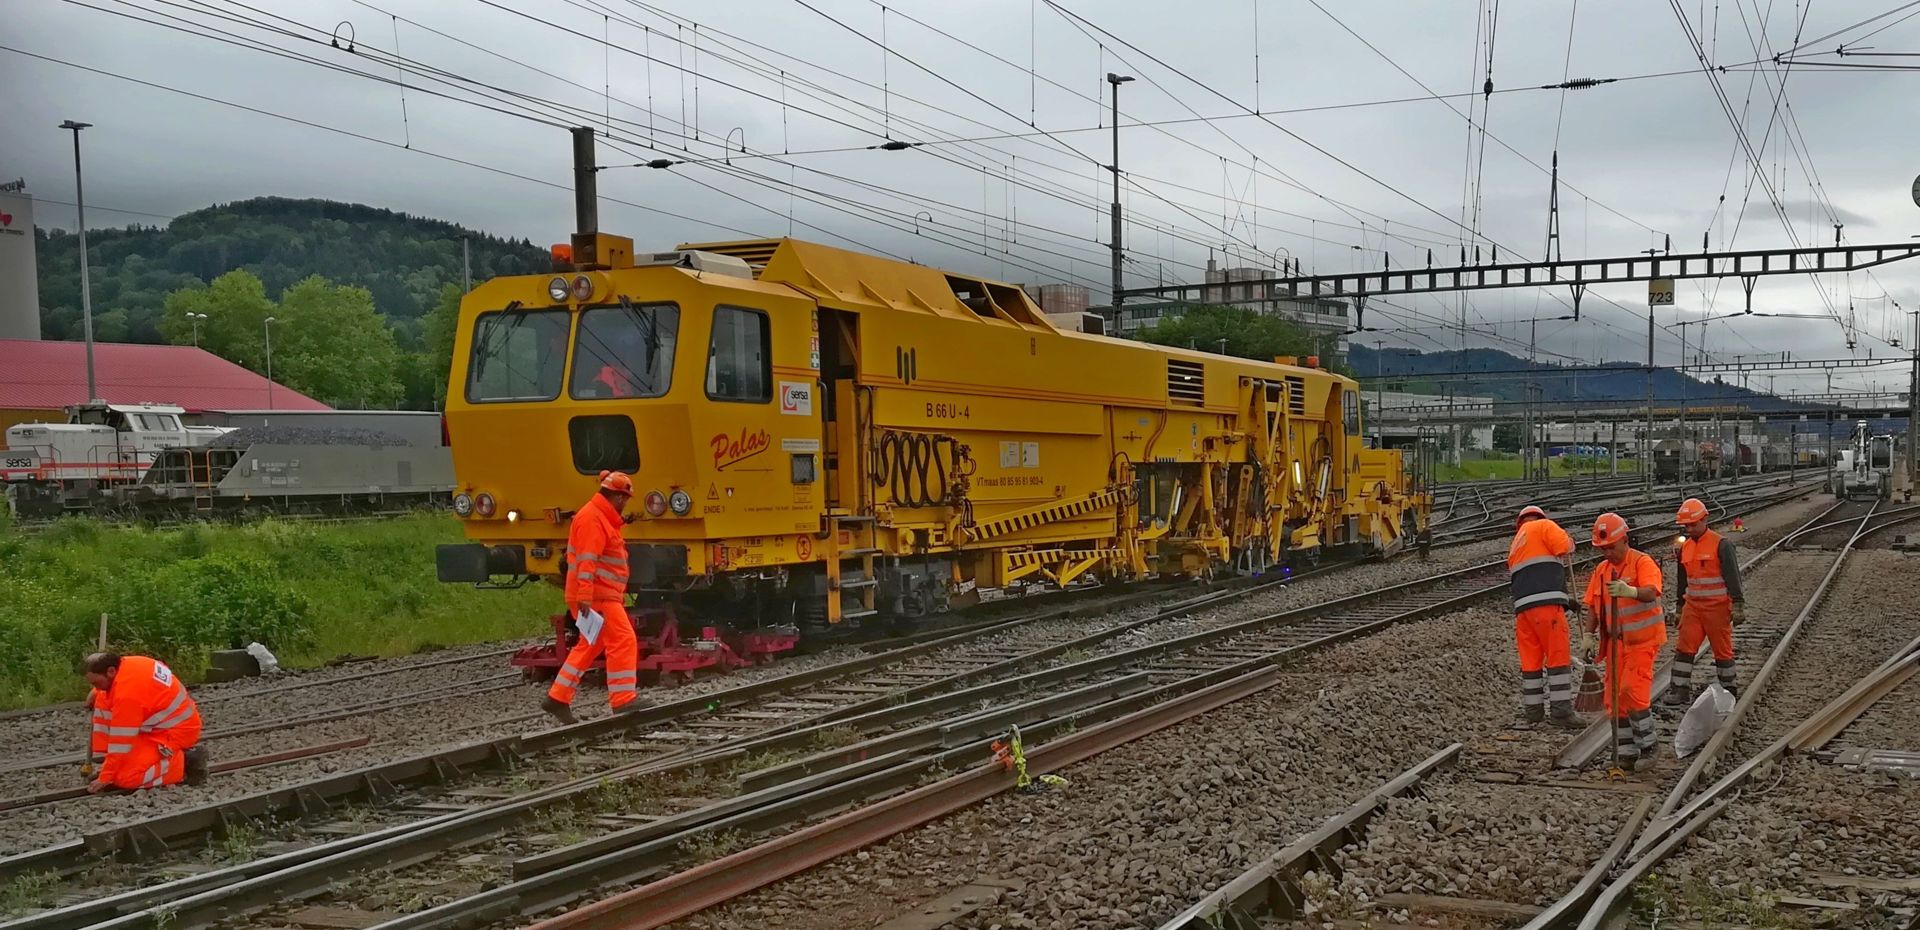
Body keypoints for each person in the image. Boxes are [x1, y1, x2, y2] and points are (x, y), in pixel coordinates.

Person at [542, 470, 645, 724]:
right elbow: (588, 561)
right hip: (597, 596)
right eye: (625, 500)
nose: (625, 504)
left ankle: (557, 697)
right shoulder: (593, 519)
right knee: (624, 640)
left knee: (590, 644)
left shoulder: (598, 516)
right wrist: (586, 596)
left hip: (598, 594)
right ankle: (623, 700)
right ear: (618, 497)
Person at [1582, 513, 1666, 772]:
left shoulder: (1642, 562)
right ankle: (1626, 752)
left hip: (1642, 641)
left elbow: (1651, 592)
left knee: (1632, 690)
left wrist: (1630, 591)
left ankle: (1649, 746)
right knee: (1614, 697)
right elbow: (1593, 606)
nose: (1607, 553)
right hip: (1615, 644)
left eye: (1611, 547)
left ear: (1624, 540)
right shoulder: (1602, 571)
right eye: (1603, 549)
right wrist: (1588, 635)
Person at [83, 653, 207, 792]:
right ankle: (115, 764)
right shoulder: (128, 664)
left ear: (111, 671)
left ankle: (185, 762)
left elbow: (120, 742)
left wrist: (106, 777)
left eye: (96, 683)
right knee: (102, 697)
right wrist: (96, 691)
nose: (96, 687)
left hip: (175, 732)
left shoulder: (127, 696)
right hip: (159, 725)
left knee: (126, 778)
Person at [1507, 505, 1581, 727]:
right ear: (1539, 517)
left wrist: (1565, 601)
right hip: (1546, 607)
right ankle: (1561, 713)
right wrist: (1569, 539)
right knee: (1557, 655)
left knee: (1531, 661)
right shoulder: (1544, 526)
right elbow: (1564, 547)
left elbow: (1534, 576)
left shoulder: (1516, 543)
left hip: (1523, 611)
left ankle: (1534, 712)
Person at [1669, 497, 1745, 705]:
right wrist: (1679, 607)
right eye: (1686, 526)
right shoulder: (1685, 548)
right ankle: (1679, 690)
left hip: (1717, 607)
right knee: (1684, 647)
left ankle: (1729, 691)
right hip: (1693, 607)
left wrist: (1738, 603)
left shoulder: (1722, 545)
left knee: (1722, 650)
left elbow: (1732, 576)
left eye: (1693, 524)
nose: (1689, 529)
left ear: (1705, 519)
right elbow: (1682, 580)